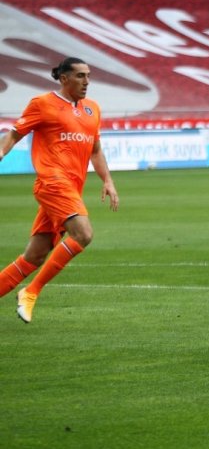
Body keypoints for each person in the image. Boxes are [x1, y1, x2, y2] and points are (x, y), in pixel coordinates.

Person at [0, 57, 119, 323]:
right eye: (80, 76)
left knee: (35, 255)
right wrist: (1, 151)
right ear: (64, 78)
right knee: (83, 233)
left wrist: (107, 180)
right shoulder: (42, 104)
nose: (86, 81)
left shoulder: (92, 109)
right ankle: (30, 292)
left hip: (72, 188)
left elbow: (95, 150)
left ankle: (25, 288)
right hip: (52, 182)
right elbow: (15, 133)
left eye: (88, 76)